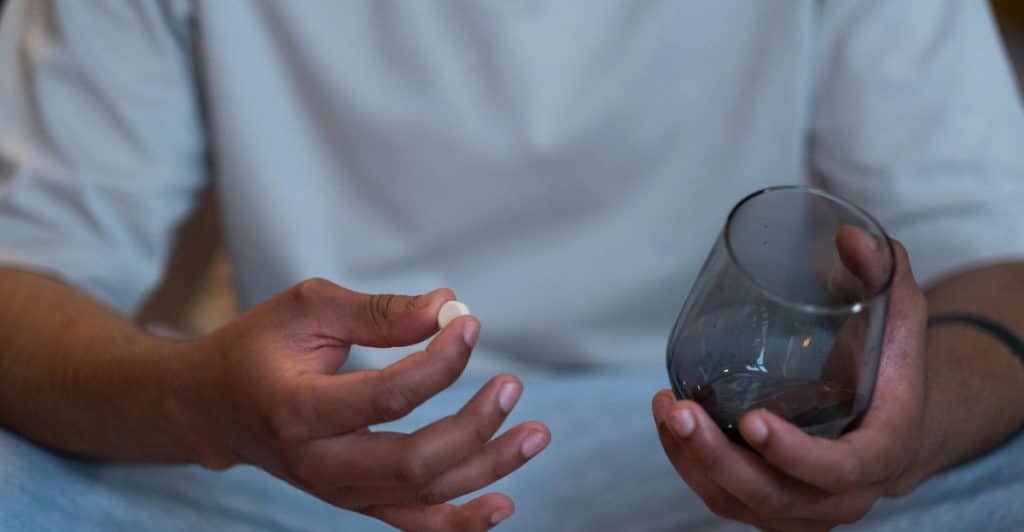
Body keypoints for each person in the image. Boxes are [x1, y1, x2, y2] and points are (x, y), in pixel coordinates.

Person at [0, 1, 1022, 530]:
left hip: (726, 447)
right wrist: (200, 406)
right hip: (296, 462)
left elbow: (996, 260)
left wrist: (914, 425)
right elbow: (24, 274)